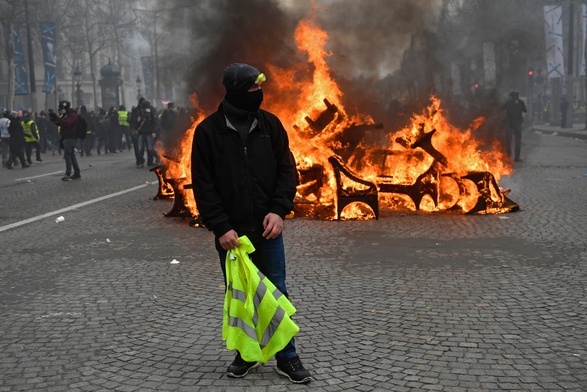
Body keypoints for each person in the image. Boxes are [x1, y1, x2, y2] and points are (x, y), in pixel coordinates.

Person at [191, 63, 311, 384]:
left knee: (276, 292)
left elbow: (288, 172)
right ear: (235, 92)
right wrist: (220, 227)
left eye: (260, 89)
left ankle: (287, 357)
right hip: (232, 236)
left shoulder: (271, 126)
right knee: (241, 296)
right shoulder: (207, 133)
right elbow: (203, 185)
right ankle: (246, 354)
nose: (259, 95)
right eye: (252, 90)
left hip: (268, 230)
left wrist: (278, 210)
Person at [49, 100, 81, 180]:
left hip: (70, 137)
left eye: (60, 108)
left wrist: (57, 118)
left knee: (67, 156)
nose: (60, 109)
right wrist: (53, 119)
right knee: (72, 156)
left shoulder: (72, 115)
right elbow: (61, 123)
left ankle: (68, 174)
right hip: (67, 137)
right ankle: (77, 173)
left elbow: (67, 123)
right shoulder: (67, 114)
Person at [501, 91, 527, 162]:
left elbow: (501, 108)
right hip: (516, 124)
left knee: (510, 141)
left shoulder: (509, 103)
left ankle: (509, 157)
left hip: (510, 124)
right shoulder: (519, 102)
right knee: (515, 141)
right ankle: (516, 157)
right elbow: (525, 110)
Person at [135, 100, 158, 168]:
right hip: (141, 133)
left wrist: (154, 131)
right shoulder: (139, 113)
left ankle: (150, 161)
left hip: (149, 132)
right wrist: (137, 121)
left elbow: (154, 123)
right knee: (140, 149)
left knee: (150, 148)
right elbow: (135, 124)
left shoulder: (151, 113)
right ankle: (141, 162)